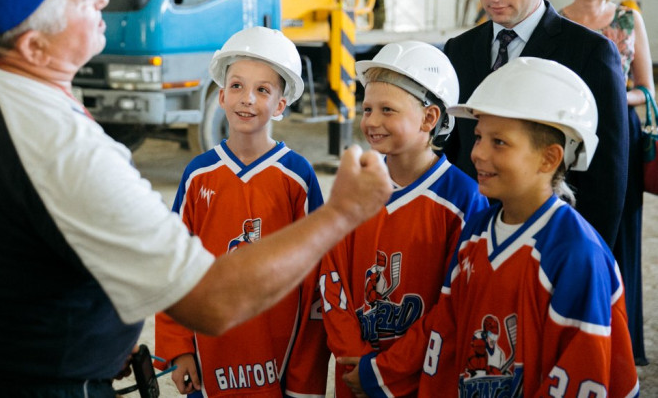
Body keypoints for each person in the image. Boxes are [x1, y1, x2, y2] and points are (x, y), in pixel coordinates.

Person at [0, 0, 393, 397]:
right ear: (34, 45)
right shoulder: (59, 146)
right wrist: (341, 212)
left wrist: (100, 324)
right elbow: (212, 301)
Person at [342, 57, 639, 397]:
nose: (478, 153)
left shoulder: (575, 253)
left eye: (499, 142)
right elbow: (446, 337)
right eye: (479, 137)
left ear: (549, 158)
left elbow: (581, 373)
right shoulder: (478, 231)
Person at [155, 26, 329, 397]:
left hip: (277, 351)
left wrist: (304, 376)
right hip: (210, 349)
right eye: (237, 86)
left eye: (263, 90)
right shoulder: (198, 174)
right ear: (221, 96)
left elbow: (316, 281)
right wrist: (178, 347)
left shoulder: (297, 176)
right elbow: (173, 263)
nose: (247, 99)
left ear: (280, 105)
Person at [443, 0, 628, 250]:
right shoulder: (459, 50)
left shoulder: (591, 54)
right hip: (472, 240)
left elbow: (607, 179)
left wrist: (583, 258)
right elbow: (452, 155)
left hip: (551, 245)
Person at [321, 41, 488, 397]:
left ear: (430, 118)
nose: (372, 121)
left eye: (388, 110)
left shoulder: (464, 200)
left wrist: (382, 372)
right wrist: (354, 361)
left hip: (420, 382)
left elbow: (453, 308)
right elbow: (331, 280)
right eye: (367, 109)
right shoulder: (354, 186)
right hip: (353, 375)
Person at [559, 0, 653, 365]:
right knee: (572, 223)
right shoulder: (556, 20)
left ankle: (621, 339)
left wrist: (610, 95)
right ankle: (570, 329)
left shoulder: (629, 20)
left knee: (620, 229)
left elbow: (647, 91)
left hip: (621, 136)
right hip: (571, 135)